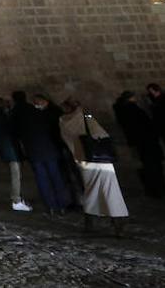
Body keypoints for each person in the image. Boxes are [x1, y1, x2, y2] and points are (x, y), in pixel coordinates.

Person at [59, 98, 129, 237]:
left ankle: (90, 222)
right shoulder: (84, 118)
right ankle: (117, 222)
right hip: (99, 159)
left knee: (91, 190)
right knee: (110, 190)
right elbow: (101, 134)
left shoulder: (63, 121)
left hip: (83, 159)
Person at [14, 91, 71, 215]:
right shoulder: (42, 116)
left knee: (42, 180)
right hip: (50, 151)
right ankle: (62, 205)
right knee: (56, 178)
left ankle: (51, 206)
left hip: (34, 153)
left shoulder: (21, 121)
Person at [113, 90, 165, 198]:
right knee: (153, 167)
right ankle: (159, 190)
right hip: (147, 142)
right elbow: (144, 125)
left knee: (148, 165)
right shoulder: (133, 110)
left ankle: (154, 190)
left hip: (141, 142)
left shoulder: (123, 110)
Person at [0, 96, 32, 212]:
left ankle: (18, 198)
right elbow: (10, 130)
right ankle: (16, 200)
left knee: (16, 174)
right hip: (10, 150)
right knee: (16, 175)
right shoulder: (0, 118)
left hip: (7, 149)